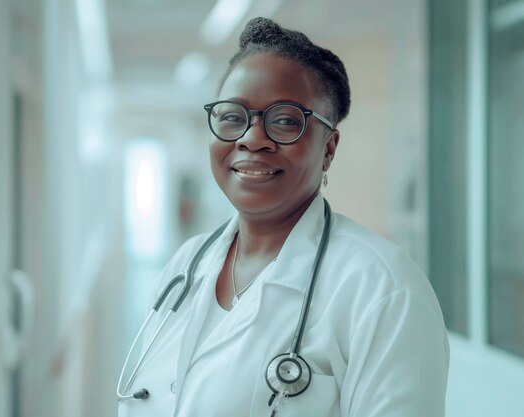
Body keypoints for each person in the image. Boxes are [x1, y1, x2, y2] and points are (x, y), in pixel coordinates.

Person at [118, 17, 449, 417]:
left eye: (286, 120)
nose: (251, 138)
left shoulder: (384, 289)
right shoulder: (187, 263)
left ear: (328, 148)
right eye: (231, 117)